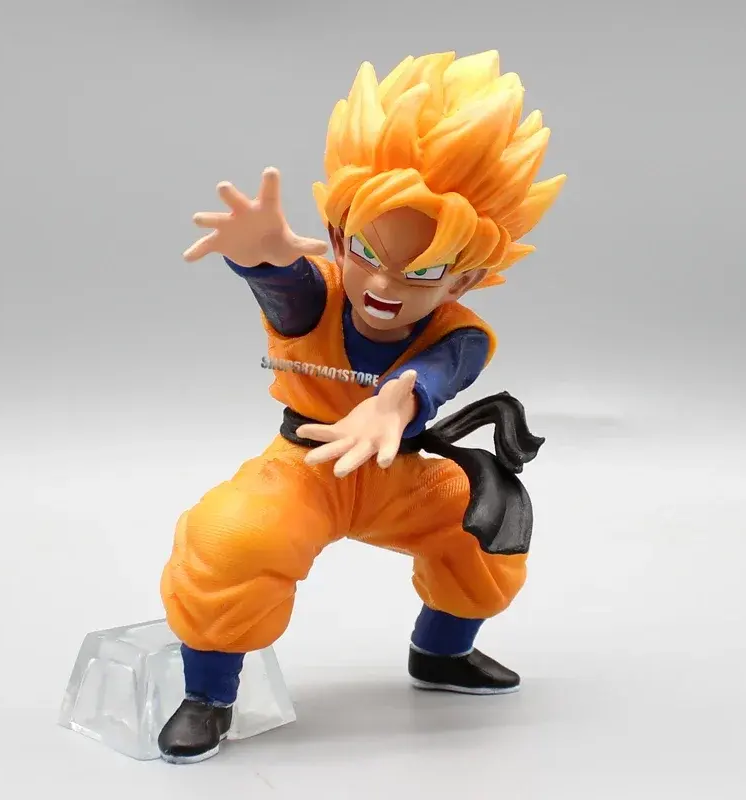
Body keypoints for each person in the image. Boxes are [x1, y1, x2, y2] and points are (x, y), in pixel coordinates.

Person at [158, 49, 565, 764]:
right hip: (307, 465)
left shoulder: (461, 332)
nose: (384, 286)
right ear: (338, 236)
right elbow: (286, 287)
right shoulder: (316, 295)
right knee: (232, 539)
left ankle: (441, 653)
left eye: (425, 271)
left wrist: (396, 401)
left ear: (465, 279)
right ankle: (208, 695)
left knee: (484, 528)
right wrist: (258, 257)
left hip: (397, 472)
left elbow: (439, 369)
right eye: (368, 252)